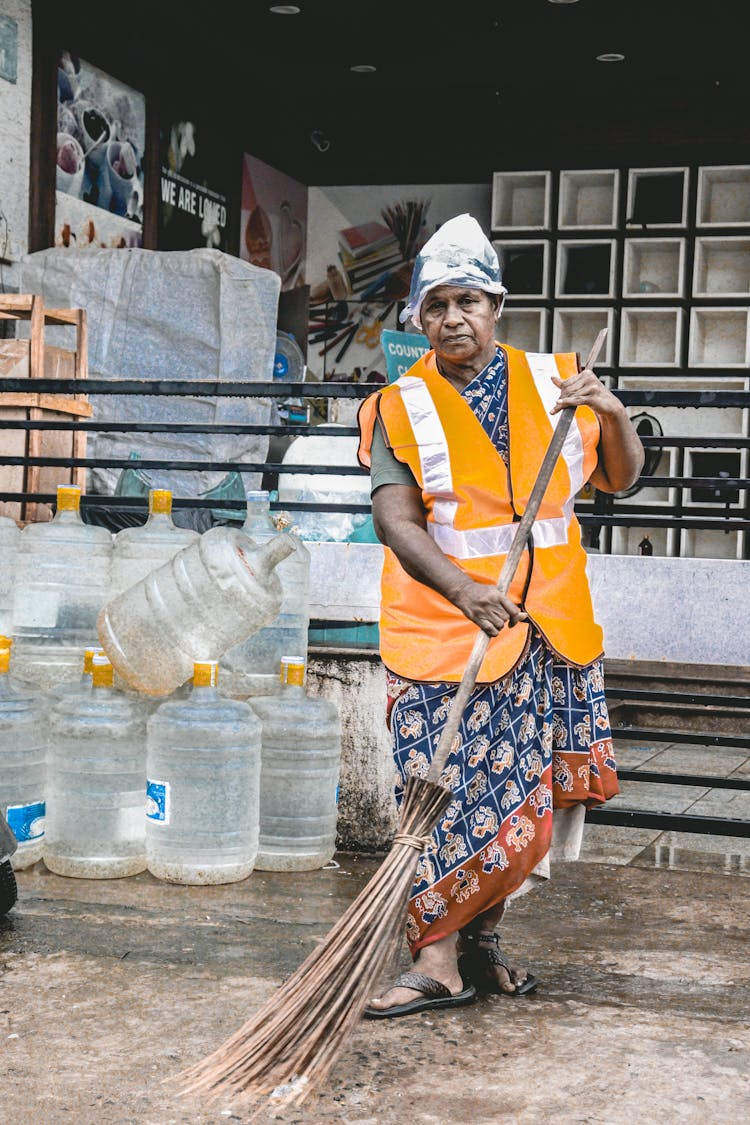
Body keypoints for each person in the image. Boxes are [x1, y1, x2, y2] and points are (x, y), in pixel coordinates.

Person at [356, 214, 644, 1018]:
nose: (454, 317)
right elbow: (396, 519)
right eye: (438, 303)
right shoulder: (399, 406)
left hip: (545, 631)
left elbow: (621, 479)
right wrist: (466, 591)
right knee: (441, 797)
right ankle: (435, 959)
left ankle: (478, 949)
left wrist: (612, 410)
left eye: (470, 300)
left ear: (497, 306)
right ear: (418, 316)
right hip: (442, 635)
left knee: (520, 801)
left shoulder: (558, 381)